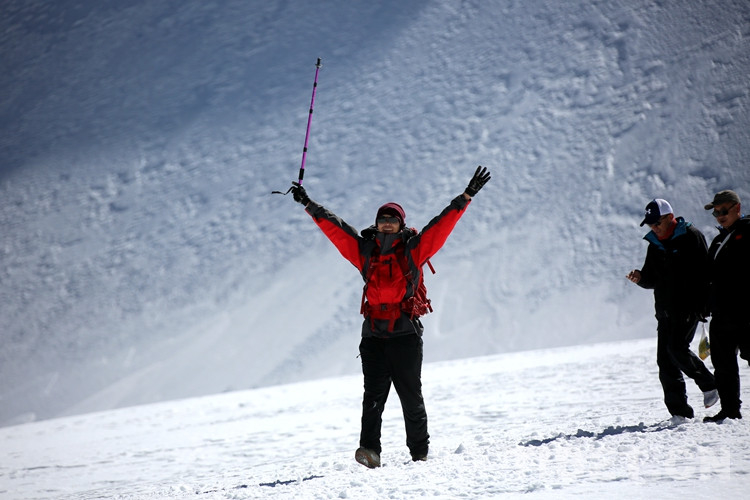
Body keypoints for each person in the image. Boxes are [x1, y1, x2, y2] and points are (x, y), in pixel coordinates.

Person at [289, 166, 491, 468]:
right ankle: (370, 452)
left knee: (410, 397)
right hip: (373, 336)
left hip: (405, 335)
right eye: (382, 219)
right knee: (372, 398)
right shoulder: (364, 251)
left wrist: (465, 197)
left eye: (392, 219)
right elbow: (336, 229)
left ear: (400, 224)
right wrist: (308, 203)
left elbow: (440, 226)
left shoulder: (413, 250)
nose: (386, 223)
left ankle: (419, 452)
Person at [626, 198, 717, 419]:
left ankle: (710, 384)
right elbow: (652, 279)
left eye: (657, 222)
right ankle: (680, 414)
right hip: (665, 311)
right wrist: (640, 278)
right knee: (665, 362)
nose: (654, 228)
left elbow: (706, 274)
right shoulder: (654, 245)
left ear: (670, 217)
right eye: (650, 224)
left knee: (677, 349)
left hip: (688, 308)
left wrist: (704, 305)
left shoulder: (691, 236)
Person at [702, 190, 749, 422]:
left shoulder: (748, 232)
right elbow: (709, 277)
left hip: (745, 312)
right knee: (722, 364)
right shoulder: (719, 241)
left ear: (737, 208)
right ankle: (730, 410)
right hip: (721, 313)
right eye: (716, 213)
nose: (719, 216)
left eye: (723, 210)